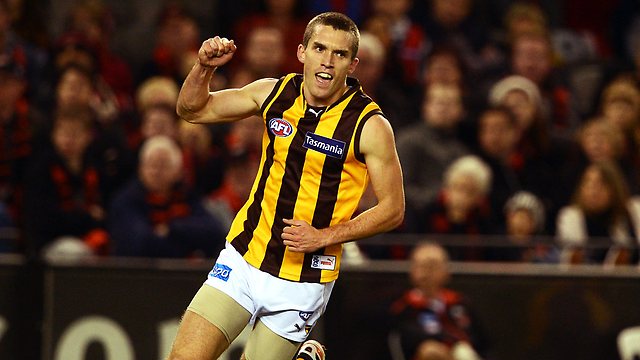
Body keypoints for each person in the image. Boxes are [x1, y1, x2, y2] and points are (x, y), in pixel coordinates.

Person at [167, 12, 405, 360]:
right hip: (245, 258)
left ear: (352, 65)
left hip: (303, 281)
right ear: (301, 52)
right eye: (319, 48)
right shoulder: (274, 93)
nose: (327, 61)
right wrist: (203, 68)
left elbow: (393, 210)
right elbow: (191, 110)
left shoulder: (370, 125)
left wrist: (325, 236)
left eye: (339, 54)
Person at [108, 135, 226, 258]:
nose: (156, 172)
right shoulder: (126, 201)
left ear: (178, 171)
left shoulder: (186, 196)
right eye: (151, 165)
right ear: (140, 169)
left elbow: (213, 231)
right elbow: (140, 243)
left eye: (163, 165)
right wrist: (187, 248)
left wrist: (171, 229)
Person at [388, 241, 486, 360]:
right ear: (412, 270)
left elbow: (482, 342)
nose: (427, 272)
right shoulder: (402, 306)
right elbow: (405, 340)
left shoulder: (460, 303)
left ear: (446, 271)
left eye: (433, 266)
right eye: (422, 266)